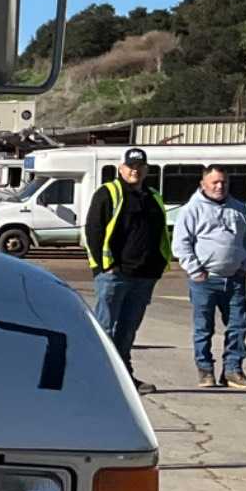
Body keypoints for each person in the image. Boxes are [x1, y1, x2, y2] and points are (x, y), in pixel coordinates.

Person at [84, 147, 169, 393]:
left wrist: (159, 264)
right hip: (115, 275)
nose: (135, 170)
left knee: (128, 330)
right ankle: (98, 379)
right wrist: (104, 267)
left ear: (146, 169)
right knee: (105, 329)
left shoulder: (153, 196)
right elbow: (93, 231)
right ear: (121, 168)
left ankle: (124, 378)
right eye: (131, 166)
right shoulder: (108, 193)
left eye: (140, 166)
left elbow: (160, 232)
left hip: (144, 276)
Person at [171, 165, 246, 388]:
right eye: (215, 182)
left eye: (224, 182)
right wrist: (195, 270)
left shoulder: (238, 208)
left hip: (235, 279)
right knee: (204, 328)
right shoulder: (192, 210)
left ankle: (232, 370)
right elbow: (181, 244)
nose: (220, 186)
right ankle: (205, 371)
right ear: (203, 184)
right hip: (205, 280)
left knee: (238, 326)